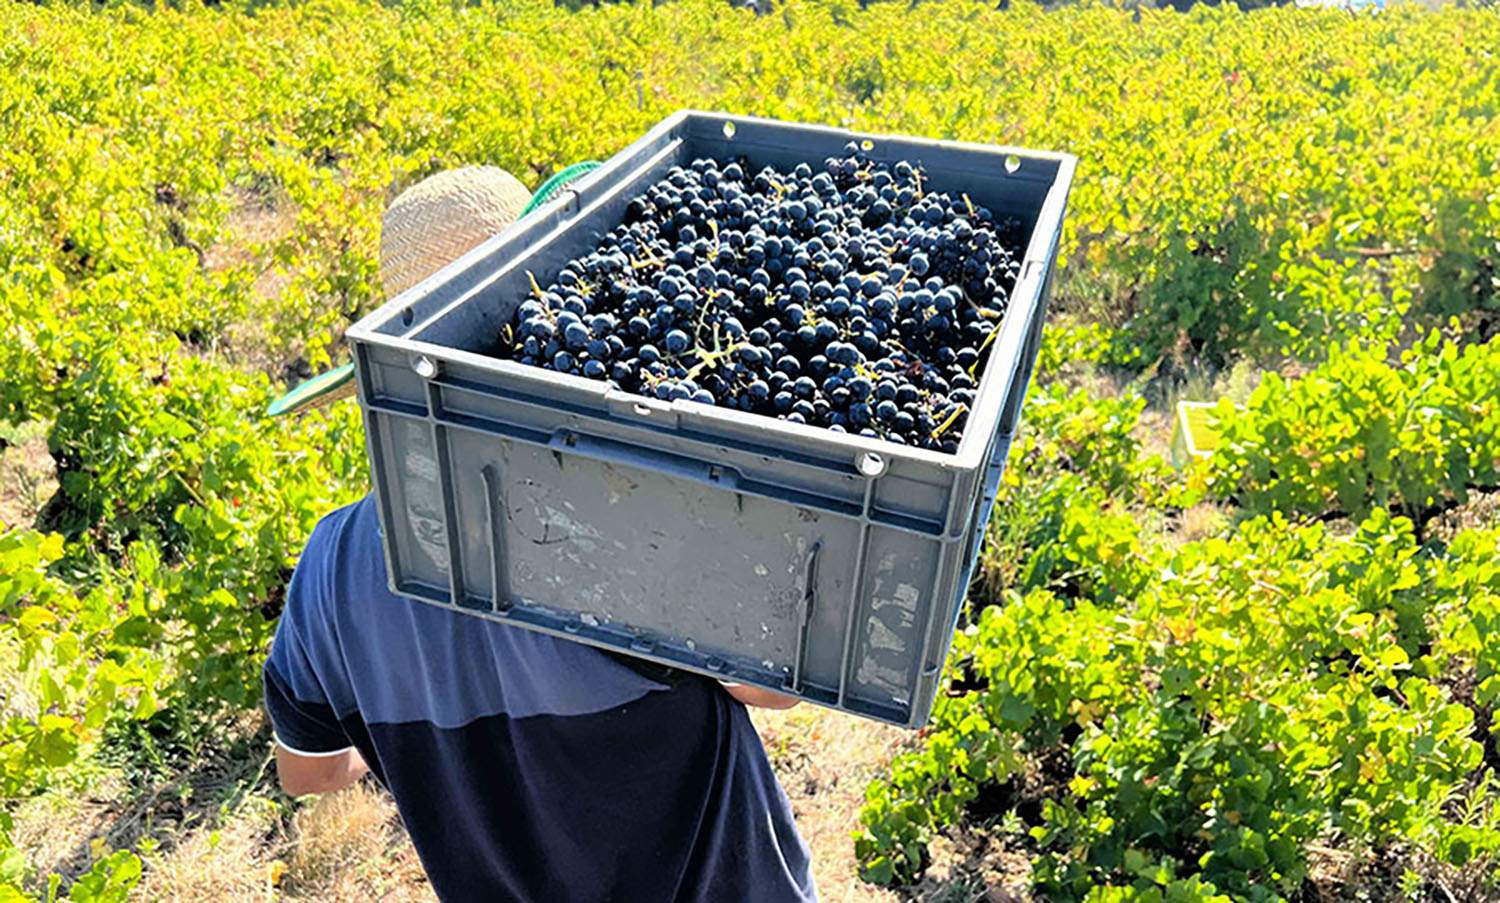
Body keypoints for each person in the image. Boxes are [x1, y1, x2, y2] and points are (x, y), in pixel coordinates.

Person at [263, 166, 817, 902]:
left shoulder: (331, 569)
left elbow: (307, 771)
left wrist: (409, 736)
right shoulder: (631, 523)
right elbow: (771, 691)